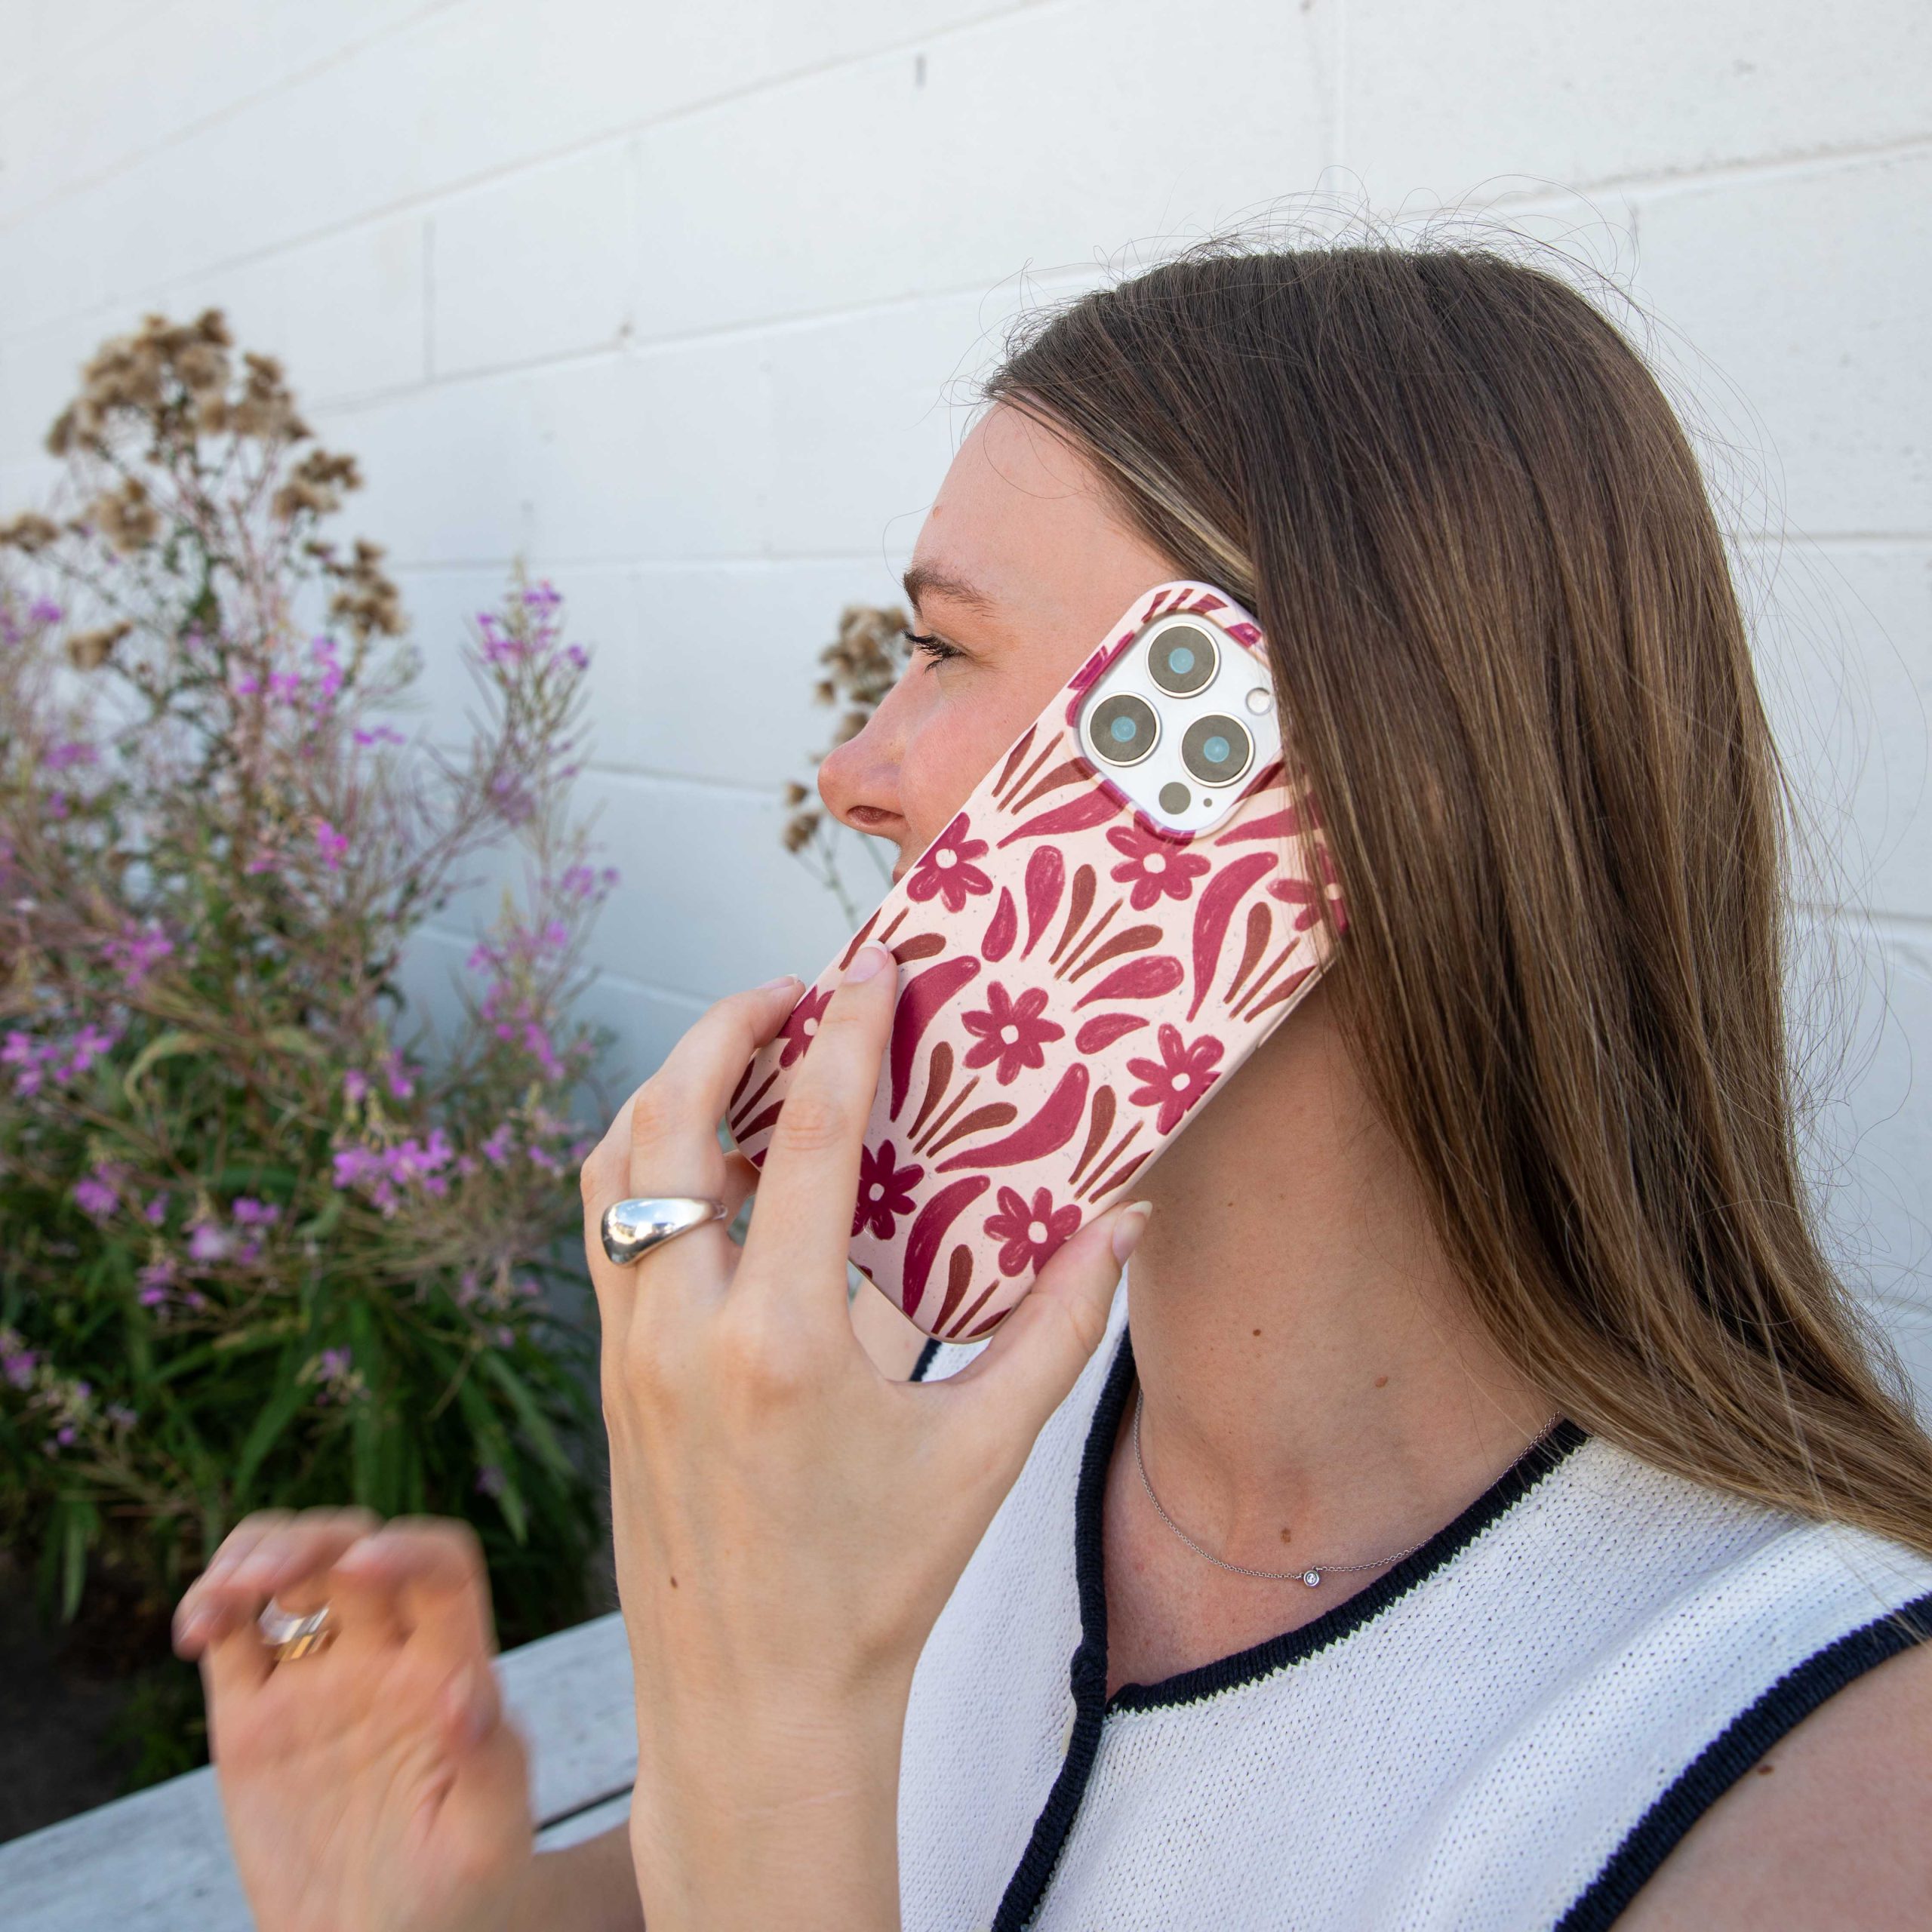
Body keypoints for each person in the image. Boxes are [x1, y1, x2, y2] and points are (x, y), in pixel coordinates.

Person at [173, 242, 1932, 1930]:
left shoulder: (1820, 1780)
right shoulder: (908, 1398)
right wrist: (451, 1910)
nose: (850, 771)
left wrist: (764, 1712)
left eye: (938, 649)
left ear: (1292, 784)